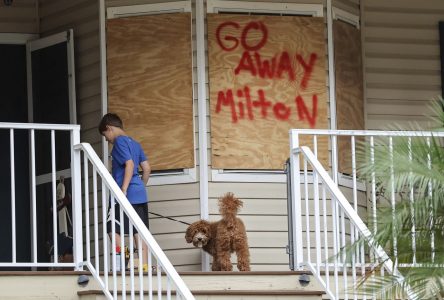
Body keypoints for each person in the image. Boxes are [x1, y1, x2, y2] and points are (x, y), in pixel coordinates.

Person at [98, 113, 151, 272]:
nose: (107, 140)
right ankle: (144, 266)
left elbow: (129, 164)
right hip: (139, 194)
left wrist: (123, 190)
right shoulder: (135, 143)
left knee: (112, 228)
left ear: (109, 128)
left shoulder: (119, 142)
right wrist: (139, 187)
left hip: (124, 194)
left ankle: (124, 257)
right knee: (138, 231)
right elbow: (147, 169)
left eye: (105, 135)